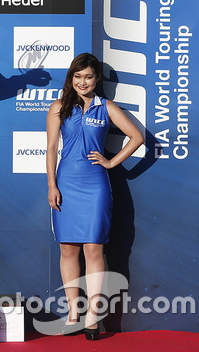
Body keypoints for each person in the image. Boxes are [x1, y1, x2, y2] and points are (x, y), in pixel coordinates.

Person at [46, 52, 143, 340]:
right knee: (67, 249)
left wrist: (112, 163)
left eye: (88, 76)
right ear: (71, 78)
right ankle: (73, 314)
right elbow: (51, 148)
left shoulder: (107, 107)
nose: (82, 82)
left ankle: (92, 315)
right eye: (77, 76)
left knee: (94, 250)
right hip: (65, 182)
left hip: (96, 186)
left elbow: (137, 137)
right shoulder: (59, 106)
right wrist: (52, 185)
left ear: (97, 78)